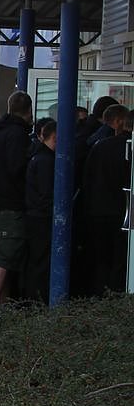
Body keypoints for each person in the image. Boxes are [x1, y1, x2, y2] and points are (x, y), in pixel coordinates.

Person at [0, 92, 33, 304]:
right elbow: (17, 169)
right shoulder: (18, 135)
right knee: (5, 256)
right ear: (29, 111)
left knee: (4, 254)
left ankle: (0, 303)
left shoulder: (0, 132)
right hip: (11, 204)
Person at [81, 106, 132, 295]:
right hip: (123, 212)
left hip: (98, 212)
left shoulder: (100, 146)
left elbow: (87, 179)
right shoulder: (128, 147)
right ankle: (116, 298)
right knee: (121, 261)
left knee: (101, 261)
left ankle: (99, 296)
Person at [22, 120, 56, 303]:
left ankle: (34, 298)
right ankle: (37, 299)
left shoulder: (37, 157)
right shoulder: (46, 161)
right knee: (41, 262)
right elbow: (46, 193)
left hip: (35, 215)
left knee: (37, 261)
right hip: (42, 217)